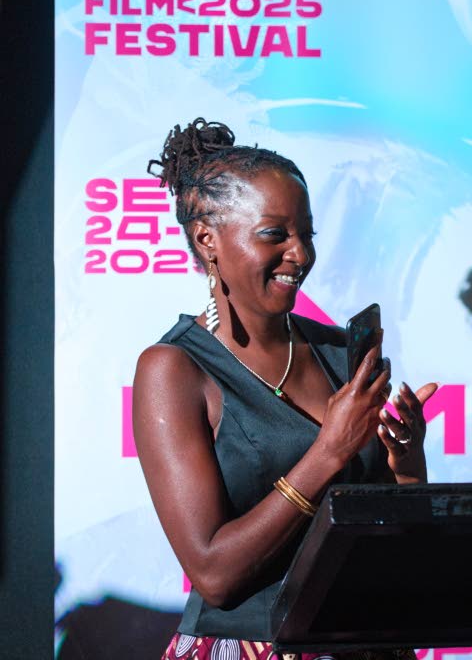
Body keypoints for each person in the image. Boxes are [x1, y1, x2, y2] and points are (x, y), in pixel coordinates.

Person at [135, 118, 437, 660]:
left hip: (367, 642)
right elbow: (214, 573)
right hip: (256, 647)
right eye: (275, 235)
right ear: (208, 240)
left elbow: (396, 541)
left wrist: (407, 461)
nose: (301, 254)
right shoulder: (174, 370)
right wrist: (330, 451)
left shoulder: (340, 350)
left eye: (307, 234)